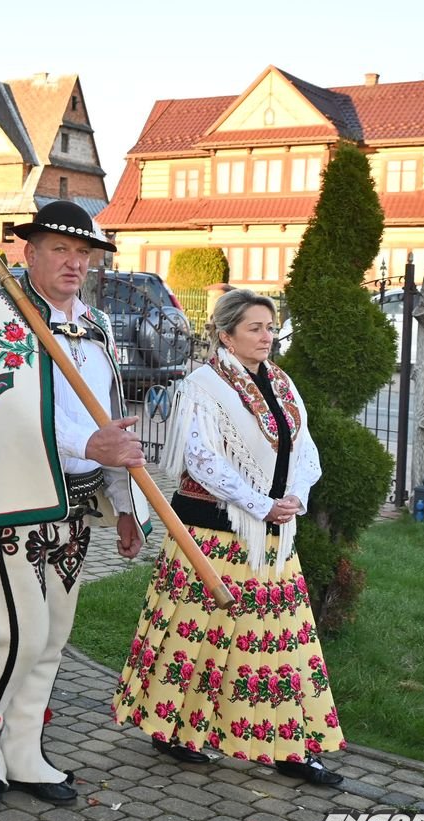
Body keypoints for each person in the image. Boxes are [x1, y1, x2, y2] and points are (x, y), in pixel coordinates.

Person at [0, 201, 148, 804]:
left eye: (84, 253)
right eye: (60, 249)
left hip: (76, 504)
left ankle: (24, 751)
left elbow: (109, 419)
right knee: (17, 633)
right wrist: (87, 444)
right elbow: (2, 409)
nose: (74, 263)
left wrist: (124, 503)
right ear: (30, 252)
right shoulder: (0, 315)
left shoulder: (96, 327)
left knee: (51, 636)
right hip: (15, 500)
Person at [111, 288, 344, 785]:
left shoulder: (280, 382)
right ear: (226, 335)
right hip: (211, 531)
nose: (267, 336)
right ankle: (174, 729)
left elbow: (305, 448)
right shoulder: (202, 385)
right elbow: (202, 460)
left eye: (270, 327)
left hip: (273, 535)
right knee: (196, 638)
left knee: (280, 641)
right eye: (255, 328)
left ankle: (290, 745)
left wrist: (294, 497)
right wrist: (260, 504)